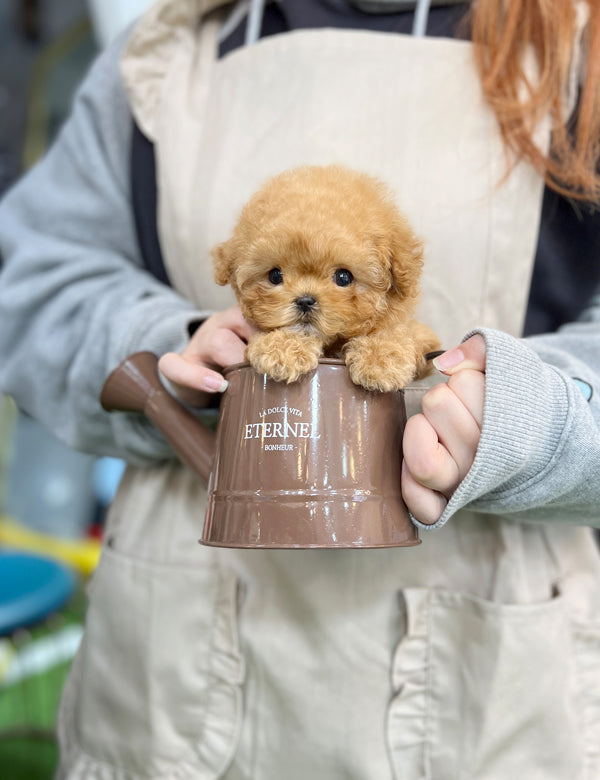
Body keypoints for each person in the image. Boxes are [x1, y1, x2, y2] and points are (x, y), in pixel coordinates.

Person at [1, 0, 599, 777]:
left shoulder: (578, 57)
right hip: (168, 681)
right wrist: (171, 343)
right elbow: (30, 279)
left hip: (488, 694)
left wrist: (532, 421)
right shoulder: (165, 59)